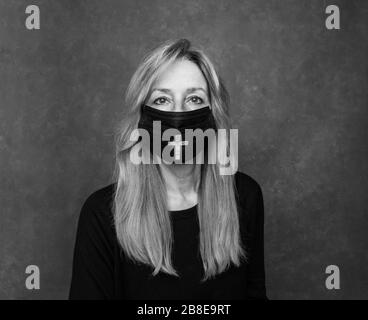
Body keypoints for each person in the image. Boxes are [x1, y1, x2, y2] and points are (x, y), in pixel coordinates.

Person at [69, 38, 267, 300]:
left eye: (194, 98)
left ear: (214, 114)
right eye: (162, 100)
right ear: (142, 117)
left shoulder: (245, 196)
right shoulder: (102, 215)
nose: (178, 113)